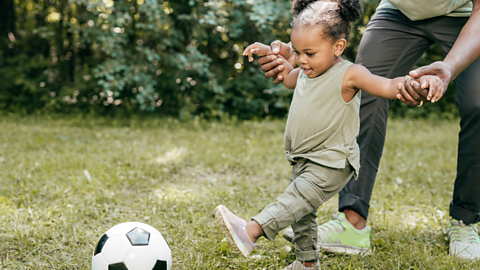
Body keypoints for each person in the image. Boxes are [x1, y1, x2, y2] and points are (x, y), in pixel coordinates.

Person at [213, 1, 443, 269]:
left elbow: (388, 85)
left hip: (331, 162)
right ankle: (307, 264)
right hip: (304, 159)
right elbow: (288, 77)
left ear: (338, 47)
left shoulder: (349, 74)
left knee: (293, 201)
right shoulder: (306, 72)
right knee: (303, 213)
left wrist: (418, 82)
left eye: (309, 53)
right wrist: (270, 53)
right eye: (298, 52)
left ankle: (251, 231)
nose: (301, 59)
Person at [260, 0, 480, 261]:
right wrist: (300, 49)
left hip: (466, 17)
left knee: (477, 103)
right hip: (397, 14)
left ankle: (466, 220)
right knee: (363, 94)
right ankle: (352, 223)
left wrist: (449, 68)